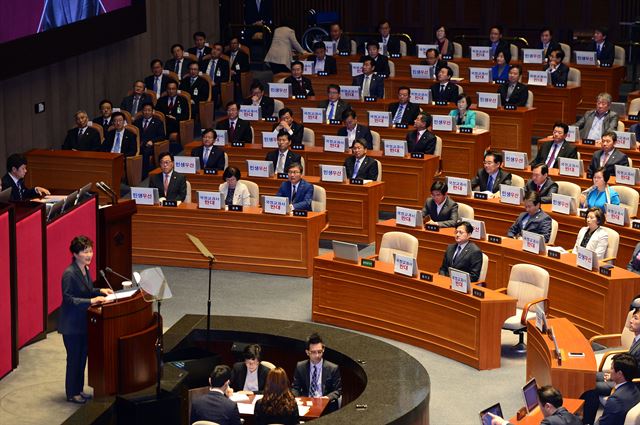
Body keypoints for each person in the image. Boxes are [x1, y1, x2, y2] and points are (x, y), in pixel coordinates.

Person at [58, 236, 112, 404]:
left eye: (90, 250)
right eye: (85, 251)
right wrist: (92, 301)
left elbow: (86, 290)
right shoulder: (69, 273)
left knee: (82, 358)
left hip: (83, 323)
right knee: (74, 359)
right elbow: (69, 299)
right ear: (75, 254)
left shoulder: (85, 269)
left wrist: (99, 290)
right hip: (71, 325)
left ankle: (79, 390)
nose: (89, 255)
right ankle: (71, 393)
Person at [581, 353, 640, 425]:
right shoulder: (636, 390)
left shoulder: (615, 400)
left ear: (619, 374)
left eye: (612, 368)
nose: (609, 370)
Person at [292, 333, 342, 412]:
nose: (317, 355)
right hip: (305, 404)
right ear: (307, 352)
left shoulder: (333, 368)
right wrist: (298, 399)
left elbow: (338, 390)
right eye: (313, 352)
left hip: (325, 406)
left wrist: (326, 398)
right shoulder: (300, 366)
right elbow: (295, 388)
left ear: (323, 350)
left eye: (319, 352)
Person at [489, 385, 582, 425]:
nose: (540, 408)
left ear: (548, 406)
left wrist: (503, 423)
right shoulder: (574, 418)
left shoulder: (549, 422)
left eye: (539, 405)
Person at [155, 81, 190, 153]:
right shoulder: (161, 100)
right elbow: (157, 114)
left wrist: (175, 118)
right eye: (169, 89)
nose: (171, 91)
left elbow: (186, 116)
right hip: (163, 125)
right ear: (166, 90)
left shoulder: (183, 101)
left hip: (177, 126)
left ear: (177, 89)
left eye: (173, 89)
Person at [134, 102, 166, 178]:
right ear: (142, 111)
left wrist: (153, 141)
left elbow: (162, 136)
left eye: (149, 110)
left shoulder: (158, 122)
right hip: (138, 144)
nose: (147, 112)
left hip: (150, 146)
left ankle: (144, 176)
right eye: (145, 110)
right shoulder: (137, 122)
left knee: (145, 152)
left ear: (153, 111)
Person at [201, 42, 230, 109]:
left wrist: (215, 83)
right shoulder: (205, 62)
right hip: (203, 83)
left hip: (216, 85)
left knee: (214, 90)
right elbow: (200, 73)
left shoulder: (224, 63)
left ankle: (210, 109)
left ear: (221, 53)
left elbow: (225, 78)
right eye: (214, 48)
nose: (215, 51)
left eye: (218, 50)